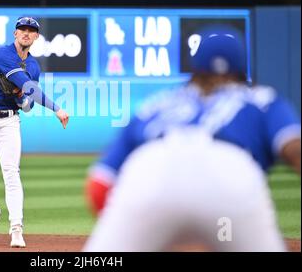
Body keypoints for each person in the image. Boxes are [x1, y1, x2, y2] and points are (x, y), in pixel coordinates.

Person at [83, 26, 301, 252]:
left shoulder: (157, 104)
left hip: (152, 172)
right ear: (241, 66)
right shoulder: (263, 98)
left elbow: (99, 185)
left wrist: (135, 227)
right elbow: (294, 150)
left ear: (195, 66)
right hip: (231, 176)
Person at [0, 16, 69, 248]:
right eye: (22, 29)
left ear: (36, 37)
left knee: (11, 172)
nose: (26, 33)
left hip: (8, 121)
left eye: (31, 30)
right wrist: (56, 108)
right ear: (15, 33)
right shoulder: (2, 55)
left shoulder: (33, 66)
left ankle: (16, 229)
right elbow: (29, 87)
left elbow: (27, 104)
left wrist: (19, 99)